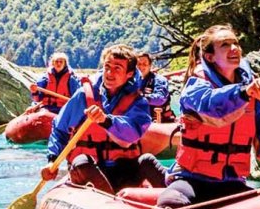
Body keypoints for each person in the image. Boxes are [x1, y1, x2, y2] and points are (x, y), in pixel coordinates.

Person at [157, 25, 260, 209]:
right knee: (170, 203)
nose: (234, 48)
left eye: (235, 43)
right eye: (225, 45)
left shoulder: (253, 94)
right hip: (192, 179)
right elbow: (212, 107)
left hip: (231, 182)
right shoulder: (195, 87)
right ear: (209, 56)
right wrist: (243, 93)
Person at [42, 43, 169, 194]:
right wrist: (52, 159)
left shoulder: (137, 102)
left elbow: (132, 134)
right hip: (90, 169)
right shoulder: (84, 96)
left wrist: (106, 120)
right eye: (107, 66)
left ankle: (177, 201)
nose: (109, 73)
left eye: (117, 68)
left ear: (129, 73)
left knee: (146, 160)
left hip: (122, 170)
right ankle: (109, 199)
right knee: (81, 161)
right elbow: (59, 129)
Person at [136, 51, 176, 123]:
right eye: (139, 64)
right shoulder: (134, 81)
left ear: (150, 65)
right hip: (142, 121)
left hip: (161, 120)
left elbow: (160, 99)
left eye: (144, 64)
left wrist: (141, 97)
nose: (141, 67)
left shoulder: (159, 80)